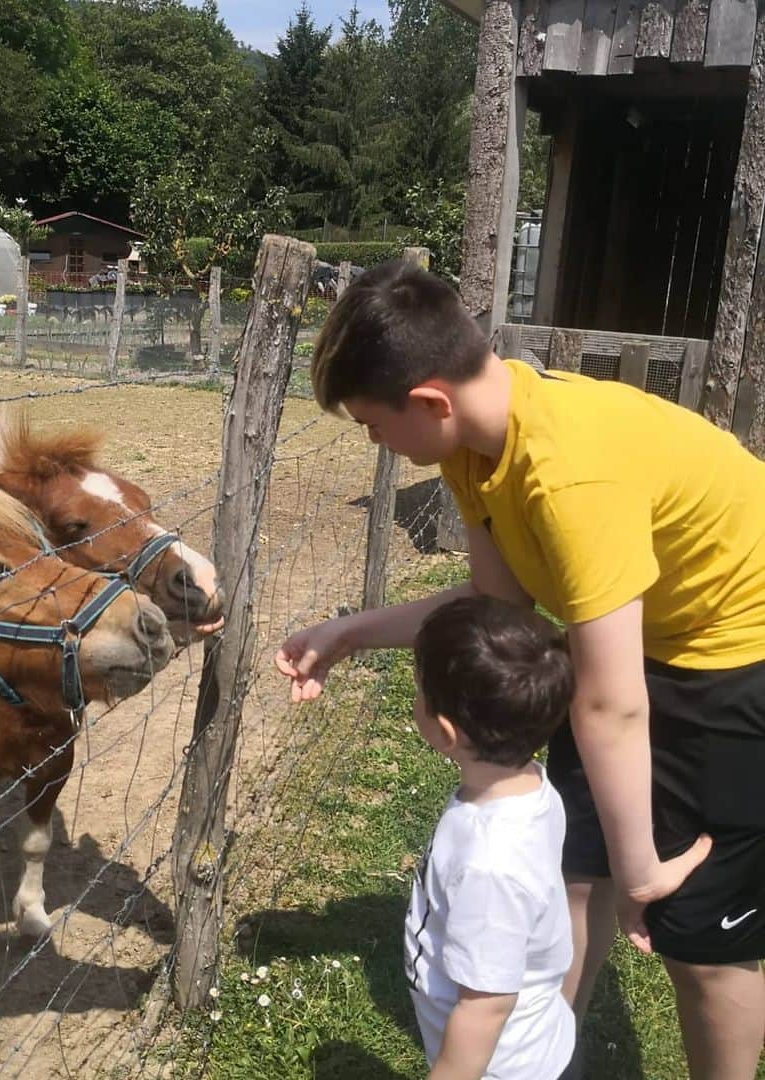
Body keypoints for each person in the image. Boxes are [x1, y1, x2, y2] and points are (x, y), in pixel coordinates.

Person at [275, 263, 765, 1078]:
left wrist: (642, 868)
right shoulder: (476, 445)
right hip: (638, 630)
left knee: (702, 938)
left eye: (371, 423)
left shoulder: (569, 473)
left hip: (736, 650)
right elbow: (501, 614)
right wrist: (352, 632)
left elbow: (610, 707)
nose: (373, 443)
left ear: (429, 401)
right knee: (574, 871)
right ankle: (537, 1055)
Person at [404, 596, 576, 1080]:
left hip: (501, 1069)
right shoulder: (533, 789)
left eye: (418, 689)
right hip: (532, 1047)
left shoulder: (490, 864)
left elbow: (485, 1010)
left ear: (444, 732)